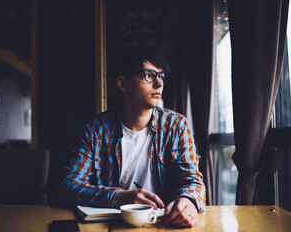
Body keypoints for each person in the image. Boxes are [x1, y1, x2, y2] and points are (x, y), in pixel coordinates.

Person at [60, 46, 206, 228]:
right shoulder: (97, 129)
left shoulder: (176, 125)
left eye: (161, 76)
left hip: (161, 225)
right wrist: (118, 196)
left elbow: (193, 181)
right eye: (149, 75)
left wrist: (188, 200)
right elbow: (68, 185)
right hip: (110, 226)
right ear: (122, 84)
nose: (159, 84)